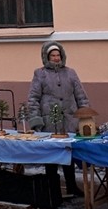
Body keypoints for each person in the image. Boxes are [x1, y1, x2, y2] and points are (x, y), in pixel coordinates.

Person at [26, 40, 89, 196]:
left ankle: (72, 187)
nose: (55, 58)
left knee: (68, 155)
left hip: (69, 120)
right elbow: (33, 98)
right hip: (50, 122)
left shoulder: (71, 73)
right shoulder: (40, 74)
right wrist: (36, 121)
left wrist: (85, 117)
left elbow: (81, 95)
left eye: (58, 55)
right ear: (46, 57)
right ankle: (52, 189)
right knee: (51, 157)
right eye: (52, 55)